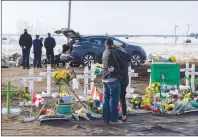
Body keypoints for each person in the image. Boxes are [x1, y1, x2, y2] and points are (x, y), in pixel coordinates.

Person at [102, 39, 124, 124]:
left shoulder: (104, 52)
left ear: (105, 45)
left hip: (105, 79)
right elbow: (120, 65)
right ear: (113, 44)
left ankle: (105, 119)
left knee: (106, 100)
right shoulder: (114, 52)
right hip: (113, 79)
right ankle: (114, 120)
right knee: (114, 100)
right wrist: (116, 70)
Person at [113, 45, 131, 122]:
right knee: (122, 98)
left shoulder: (116, 57)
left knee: (115, 98)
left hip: (119, 79)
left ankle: (115, 114)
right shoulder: (126, 56)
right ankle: (124, 115)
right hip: (125, 80)